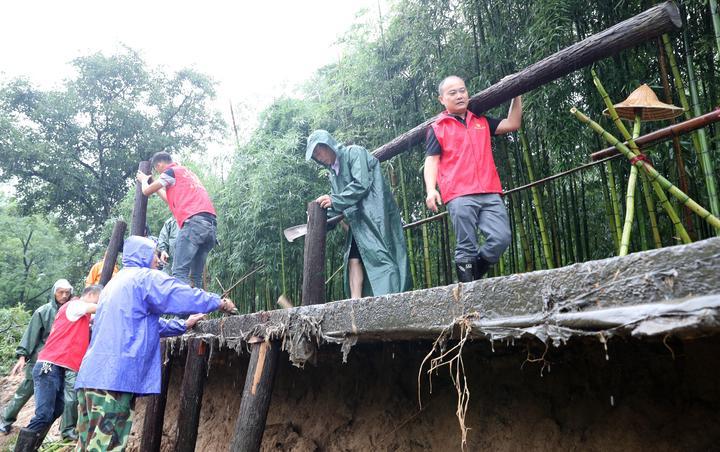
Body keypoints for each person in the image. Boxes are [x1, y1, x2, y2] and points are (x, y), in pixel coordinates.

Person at [73, 236, 236, 450]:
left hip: (91, 377)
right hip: (114, 378)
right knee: (106, 446)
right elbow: (179, 294)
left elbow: (141, 325)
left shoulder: (116, 283)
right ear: (144, 254)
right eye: (155, 254)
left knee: (87, 445)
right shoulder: (144, 278)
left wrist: (183, 324)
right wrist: (217, 301)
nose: (158, 260)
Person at [424, 75, 522, 282]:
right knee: (466, 245)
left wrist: (516, 93)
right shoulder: (437, 127)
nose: (459, 95)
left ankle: (473, 272)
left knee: (501, 238)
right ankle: (467, 295)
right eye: (452, 93)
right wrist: (431, 189)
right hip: (459, 194)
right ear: (441, 99)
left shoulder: (482, 121)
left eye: (462, 90)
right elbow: (432, 161)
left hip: (490, 191)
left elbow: (513, 123)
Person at [306, 130, 411, 298]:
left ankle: (391, 300)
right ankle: (355, 303)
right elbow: (339, 204)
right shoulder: (333, 174)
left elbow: (361, 184)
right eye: (315, 156)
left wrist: (334, 200)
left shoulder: (354, 153)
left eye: (319, 151)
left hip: (375, 216)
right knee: (353, 260)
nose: (319, 157)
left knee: (381, 256)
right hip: (357, 222)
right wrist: (321, 216)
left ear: (328, 144)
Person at [13, 285, 103, 452]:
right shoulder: (75, 305)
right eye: (99, 298)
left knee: (55, 411)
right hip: (49, 367)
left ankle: (32, 447)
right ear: (90, 295)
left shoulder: (82, 315)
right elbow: (99, 308)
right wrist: (111, 301)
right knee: (44, 414)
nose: (100, 302)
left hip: (59, 369)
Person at [0, 280, 76, 439]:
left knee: (59, 397)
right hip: (40, 359)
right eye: (60, 292)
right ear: (53, 292)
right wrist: (22, 356)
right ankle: (6, 420)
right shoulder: (44, 311)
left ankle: (49, 428)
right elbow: (31, 334)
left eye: (66, 293)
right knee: (25, 391)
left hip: (60, 360)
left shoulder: (73, 310)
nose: (63, 296)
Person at [137, 153, 217, 288]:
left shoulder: (170, 172)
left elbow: (145, 191)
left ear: (159, 165)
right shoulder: (186, 173)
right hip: (210, 226)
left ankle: (184, 308)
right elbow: (169, 200)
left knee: (179, 272)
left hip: (194, 224)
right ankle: (197, 309)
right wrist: (156, 187)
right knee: (195, 276)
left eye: (157, 170)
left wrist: (144, 180)